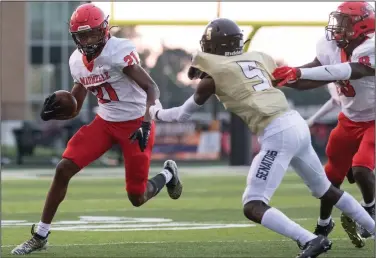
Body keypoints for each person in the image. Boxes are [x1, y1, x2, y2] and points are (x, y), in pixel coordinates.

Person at [149, 17, 375, 258]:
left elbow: (182, 115)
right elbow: (279, 78)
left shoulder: (211, 79)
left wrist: (155, 111)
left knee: (252, 204)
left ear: (212, 47)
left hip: (276, 131)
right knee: (326, 189)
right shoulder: (258, 58)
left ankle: (309, 239)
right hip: (294, 122)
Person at [11, 3, 182, 255]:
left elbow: (151, 88)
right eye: (82, 35)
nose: (88, 40)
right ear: (75, 36)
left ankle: (168, 174)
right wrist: (57, 111)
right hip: (105, 121)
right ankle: (40, 235)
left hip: (136, 123)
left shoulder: (117, 51)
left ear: (104, 30)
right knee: (63, 168)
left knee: (137, 197)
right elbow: (76, 105)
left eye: (92, 33)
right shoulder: (76, 62)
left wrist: (146, 121)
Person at [272, 1, 375, 248]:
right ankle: (324, 222)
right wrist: (281, 78)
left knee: (361, 167)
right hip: (350, 119)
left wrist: (299, 73)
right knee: (328, 178)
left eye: (344, 23)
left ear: (362, 25)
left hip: (374, 118)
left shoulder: (371, 46)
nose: (337, 27)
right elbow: (313, 75)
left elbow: (346, 71)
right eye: (337, 21)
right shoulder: (328, 44)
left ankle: (370, 210)